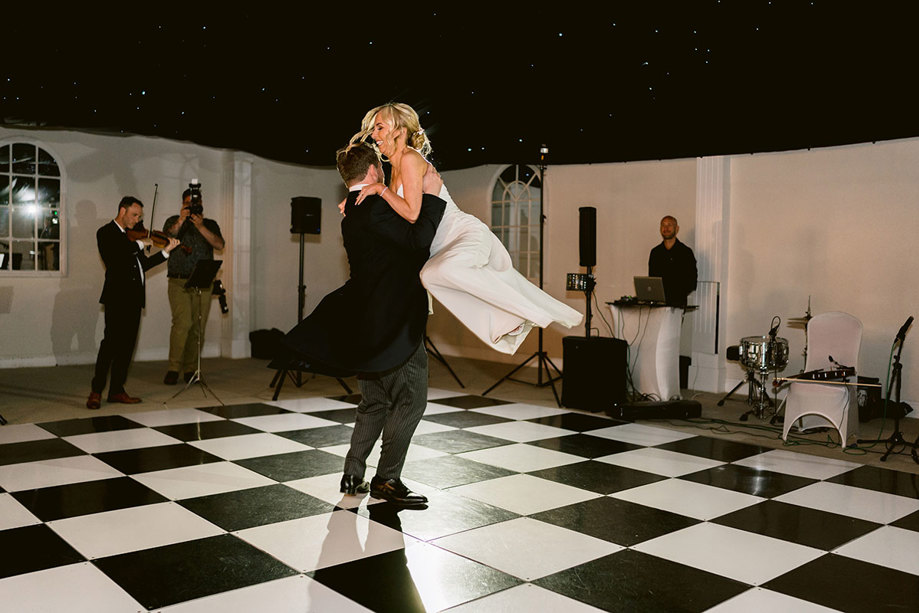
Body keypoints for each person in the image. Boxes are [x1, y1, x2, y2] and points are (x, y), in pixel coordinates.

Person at [284, 142, 446, 506]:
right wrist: (433, 197)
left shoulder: (352, 212)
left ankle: (352, 472)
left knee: (373, 402)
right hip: (394, 326)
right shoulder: (374, 206)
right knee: (411, 400)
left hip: (367, 324)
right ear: (374, 171)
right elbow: (419, 240)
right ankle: (387, 480)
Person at [352, 103, 582, 355]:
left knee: (445, 270)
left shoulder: (409, 159)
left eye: (379, 127)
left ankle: (516, 316)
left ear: (399, 130)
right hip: (440, 246)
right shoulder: (393, 168)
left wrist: (381, 190)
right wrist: (356, 202)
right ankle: (507, 322)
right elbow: (392, 212)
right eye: (374, 129)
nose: (374, 135)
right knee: (430, 276)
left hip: (462, 234)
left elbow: (411, 213)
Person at [87, 197, 179, 409]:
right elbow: (116, 257)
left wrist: (165, 252)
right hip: (116, 298)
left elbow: (142, 265)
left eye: (140, 216)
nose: (138, 220)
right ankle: (96, 391)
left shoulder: (131, 238)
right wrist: (139, 242)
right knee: (109, 345)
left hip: (134, 299)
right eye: (134, 215)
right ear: (122, 211)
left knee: (127, 347)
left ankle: (117, 390)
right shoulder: (106, 232)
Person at [161, 184, 224, 384]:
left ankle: (190, 369)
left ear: (201, 204)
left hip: (203, 282)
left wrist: (200, 226)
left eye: (195, 203)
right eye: (188, 203)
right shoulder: (173, 221)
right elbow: (167, 239)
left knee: (198, 327)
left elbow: (219, 244)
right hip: (178, 280)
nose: (192, 207)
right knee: (182, 323)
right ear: (182, 204)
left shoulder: (210, 224)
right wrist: (182, 219)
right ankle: (173, 367)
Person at [648, 215, 697, 307]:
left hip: (677, 303)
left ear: (677, 229)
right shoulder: (655, 252)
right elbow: (652, 279)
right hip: (658, 304)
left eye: (669, 225)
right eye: (663, 225)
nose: (666, 228)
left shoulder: (685, 252)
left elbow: (692, 280)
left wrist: (678, 293)